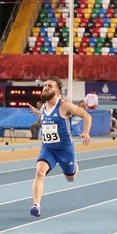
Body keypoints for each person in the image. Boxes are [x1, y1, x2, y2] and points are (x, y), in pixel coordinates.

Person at [30, 76, 92, 217]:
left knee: (70, 178)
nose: (46, 87)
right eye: (45, 85)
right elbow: (49, 117)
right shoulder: (44, 106)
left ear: (57, 92)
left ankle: (75, 166)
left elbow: (87, 116)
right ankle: (36, 205)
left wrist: (86, 133)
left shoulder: (64, 105)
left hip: (65, 150)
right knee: (39, 173)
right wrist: (38, 112)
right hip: (48, 148)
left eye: (50, 86)